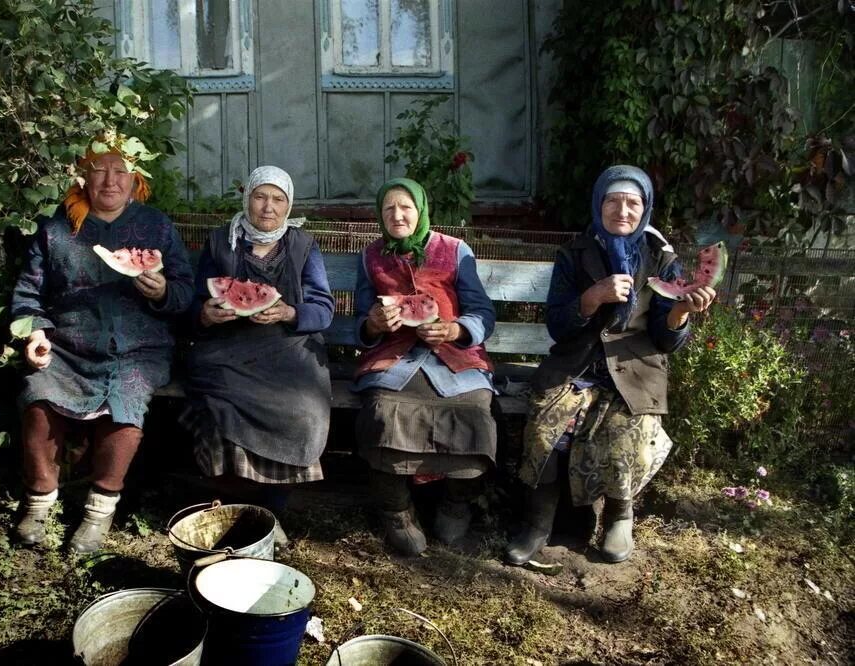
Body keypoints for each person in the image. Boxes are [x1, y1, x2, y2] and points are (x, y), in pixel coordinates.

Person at [505, 164, 716, 566]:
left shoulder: (660, 258)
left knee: (627, 429)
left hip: (634, 368)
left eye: (632, 203)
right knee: (547, 426)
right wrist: (592, 298)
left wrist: (679, 314)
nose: (622, 211)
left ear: (645, 208)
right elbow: (557, 325)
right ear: (598, 204)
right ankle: (538, 523)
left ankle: (620, 516)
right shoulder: (574, 253)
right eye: (613, 201)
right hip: (578, 365)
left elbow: (665, 341)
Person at [10, 132, 194, 554]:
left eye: (120, 171)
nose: (110, 181)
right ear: (84, 178)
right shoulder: (58, 228)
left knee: (125, 403)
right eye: (99, 170)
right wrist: (36, 332)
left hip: (139, 348)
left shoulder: (155, 226)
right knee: (36, 395)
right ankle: (39, 501)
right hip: (67, 346)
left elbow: (185, 293)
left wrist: (164, 291)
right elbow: (28, 293)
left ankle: (98, 512)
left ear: (135, 179)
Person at [352, 178, 497, 556]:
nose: (397, 215)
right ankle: (396, 510)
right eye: (388, 209)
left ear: (420, 210)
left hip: (455, 356)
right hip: (395, 358)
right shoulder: (370, 257)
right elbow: (361, 323)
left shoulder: (455, 250)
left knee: (474, 411)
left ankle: (456, 503)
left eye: (406, 207)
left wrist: (455, 329)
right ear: (380, 215)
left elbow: (483, 312)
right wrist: (373, 325)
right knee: (382, 410)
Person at [179, 166, 334, 515]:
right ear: (247, 199)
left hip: (290, 350)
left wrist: (290, 313)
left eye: (278, 199)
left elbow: (323, 309)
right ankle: (235, 506)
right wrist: (205, 314)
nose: (268, 207)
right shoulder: (221, 241)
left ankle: (271, 510)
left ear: (289, 205)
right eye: (260, 196)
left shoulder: (303, 246)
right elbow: (196, 303)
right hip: (226, 349)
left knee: (304, 411)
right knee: (219, 405)